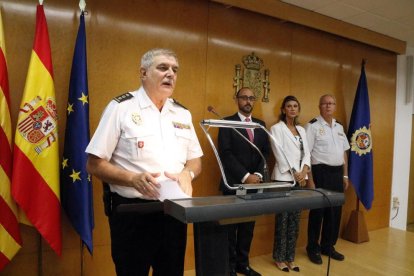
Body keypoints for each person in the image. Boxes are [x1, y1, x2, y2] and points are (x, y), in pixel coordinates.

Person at [85, 48, 203, 276]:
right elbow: (94, 163)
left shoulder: (182, 113)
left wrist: (187, 174)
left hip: (174, 212)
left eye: (174, 70)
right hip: (133, 214)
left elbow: (195, 160)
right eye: (163, 68)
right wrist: (132, 178)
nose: (170, 74)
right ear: (143, 73)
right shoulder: (121, 108)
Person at [218, 87, 270, 276]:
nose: (248, 101)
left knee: (248, 227)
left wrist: (257, 174)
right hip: (233, 183)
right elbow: (225, 153)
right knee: (231, 228)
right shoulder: (226, 123)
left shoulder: (260, 124)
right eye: (244, 98)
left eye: (251, 98)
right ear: (237, 100)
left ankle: (243, 264)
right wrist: (245, 176)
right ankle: (230, 266)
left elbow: (265, 152)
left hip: (255, 184)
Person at [305, 94, 349, 265]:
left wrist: (345, 175)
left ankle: (328, 246)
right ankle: (312, 248)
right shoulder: (312, 126)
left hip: (337, 173)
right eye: (325, 103)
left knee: (335, 212)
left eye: (331, 103)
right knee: (318, 212)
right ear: (319, 106)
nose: (328, 106)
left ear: (335, 106)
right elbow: (306, 154)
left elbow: (344, 152)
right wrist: (310, 178)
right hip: (320, 172)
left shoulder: (339, 126)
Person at [269, 95, 311, 272]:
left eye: (295, 106)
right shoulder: (276, 129)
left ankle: (290, 258)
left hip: (300, 179)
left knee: (295, 221)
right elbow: (279, 154)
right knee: (283, 220)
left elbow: (307, 153)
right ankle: (279, 258)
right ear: (283, 110)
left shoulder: (302, 130)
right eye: (289, 106)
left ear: (298, 109)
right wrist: (295, 172)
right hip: (283, 179)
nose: (292, 109)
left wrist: (304, 172)